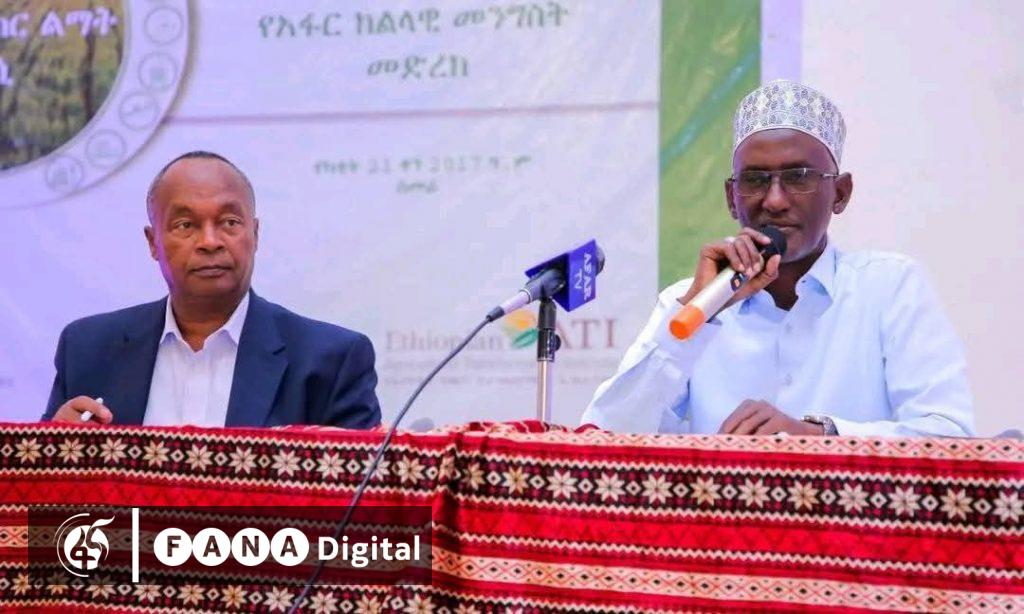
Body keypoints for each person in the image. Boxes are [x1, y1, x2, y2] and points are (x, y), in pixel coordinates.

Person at [582, 80, 973, 437]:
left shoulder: (890, 288)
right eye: (754, 180)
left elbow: (950, 436)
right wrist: (697, 313)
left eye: (798, 177)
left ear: (840, 193)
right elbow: (605, 435)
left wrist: (818, 437)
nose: (774, 200)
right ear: (731, 198)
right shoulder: (693, 302)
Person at [42, 151, 381, 429]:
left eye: (229, 222)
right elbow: (40, 486)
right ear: (153, 242)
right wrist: (52, 450)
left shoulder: (330, 362)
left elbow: (363, 490)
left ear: (255, 234)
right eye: (185, 225)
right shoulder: (90, 350)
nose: (209, 241)